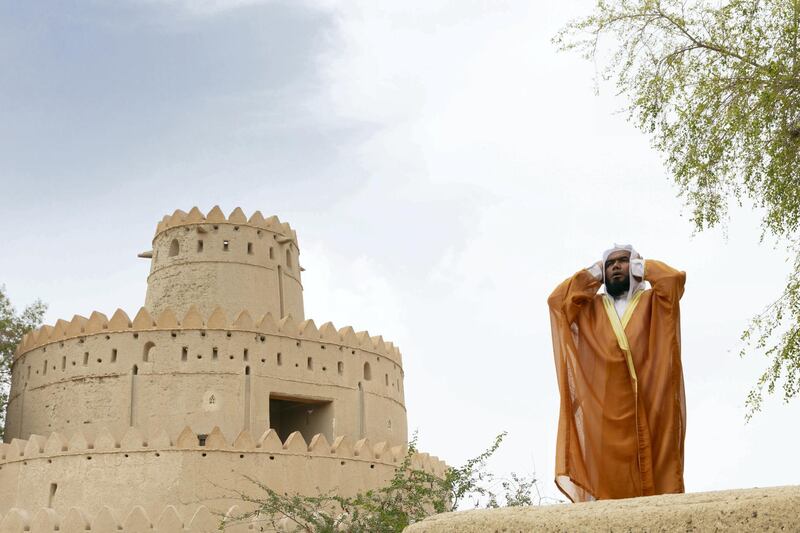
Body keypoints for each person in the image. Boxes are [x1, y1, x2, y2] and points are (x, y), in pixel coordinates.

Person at [547, 244, 686, 502]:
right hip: (606, 416)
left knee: (659, 482)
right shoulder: (591, 309)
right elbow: (557, 301)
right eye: (610, 264)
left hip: (651, 405)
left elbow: (673, 280)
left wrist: (641, 268)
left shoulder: (654, 301)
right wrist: (592, 274)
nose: (616, 266)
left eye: (623, 261)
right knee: (609, 491)